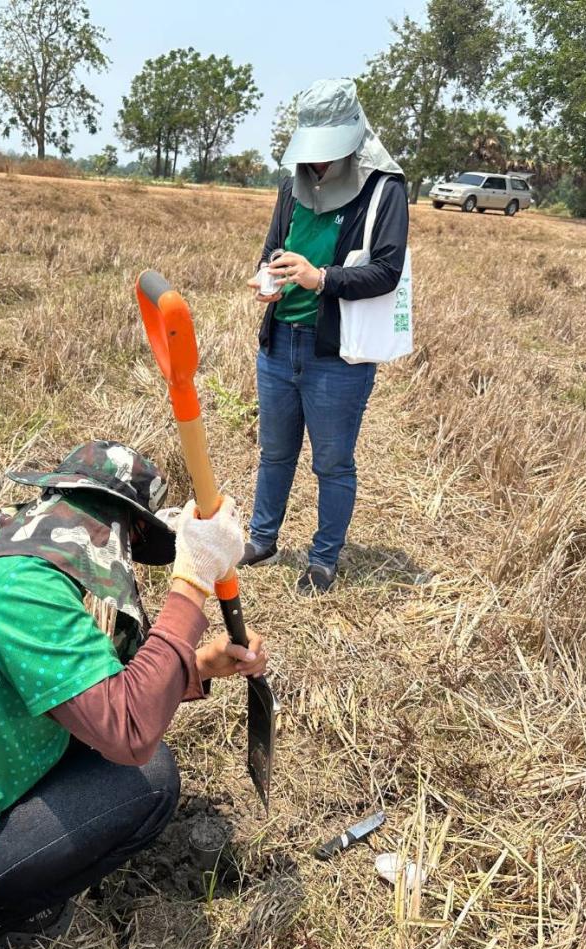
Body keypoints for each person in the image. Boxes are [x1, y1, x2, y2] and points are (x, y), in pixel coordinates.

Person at [0, 440, 264, 948]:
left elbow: (103, 689)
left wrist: (199, 665)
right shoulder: (24, 591)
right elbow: (130, 731)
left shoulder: (12, 566)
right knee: (147, 780)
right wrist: (191, 584)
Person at [241, 78, 409, 595]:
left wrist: (321, 279)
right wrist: (267, 279)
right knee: (274, 453)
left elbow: (387, 271)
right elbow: (273, 247)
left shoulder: (384, 188)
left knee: (332, 462)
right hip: (279, 345)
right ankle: (262, 538)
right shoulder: (291, 185)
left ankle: (322, 558)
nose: (317, 165)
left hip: (335, 356)